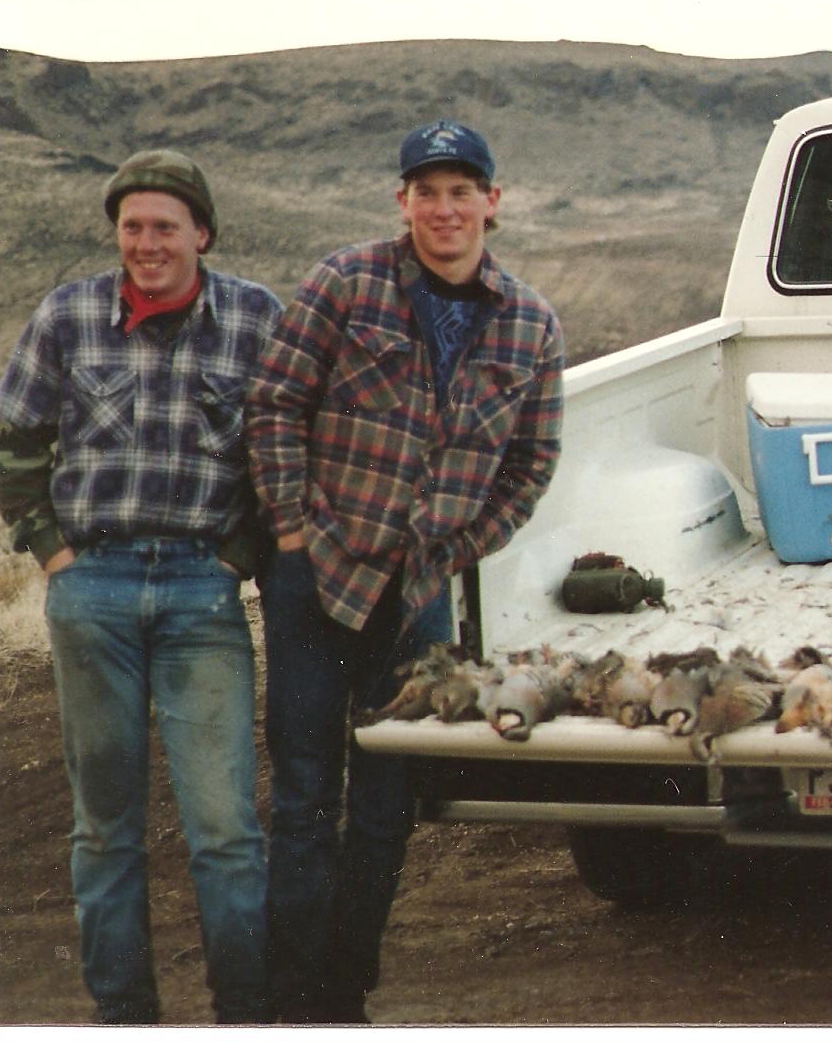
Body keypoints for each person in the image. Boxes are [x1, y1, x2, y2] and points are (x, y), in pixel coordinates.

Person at [245, 119, 566, 1022]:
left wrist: (460, 546)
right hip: (319, 578)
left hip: (419, 594)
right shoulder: (346, 283)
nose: (444, 208)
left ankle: (344, 991)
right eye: (427, 191)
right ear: (404, 203)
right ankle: (291, 996)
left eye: (462, 191)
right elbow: (275, 404)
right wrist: (293, 533)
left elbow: (531, 466)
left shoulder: (531, 324)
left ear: (492, 204)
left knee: (387, 800)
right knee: (306, 792)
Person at [0, 151, 277, 1023]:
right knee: (103, 827)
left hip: (203, 590)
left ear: (203, 232)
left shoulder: (255, 319)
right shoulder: (69, 316)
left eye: (165, 226)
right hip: (93, 590)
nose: (147, 244)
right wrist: (52, 556)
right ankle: (124, 1021)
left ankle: (247, 1018)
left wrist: (240, 556)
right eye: (132, 227)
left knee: (225, 830)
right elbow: (13, 444)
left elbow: (289, 450)